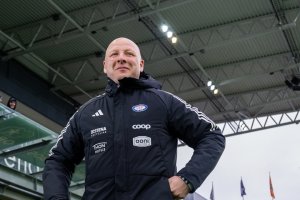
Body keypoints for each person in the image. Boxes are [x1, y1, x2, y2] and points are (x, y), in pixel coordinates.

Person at [43, 37, 225, 200]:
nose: (121, 57)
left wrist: (188, 179)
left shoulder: (164, 102)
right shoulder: (85, 113)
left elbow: (212, 135)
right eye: (114, 54)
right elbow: (58, 160)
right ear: (105, 65)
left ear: (141, 64)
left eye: (129, 54)